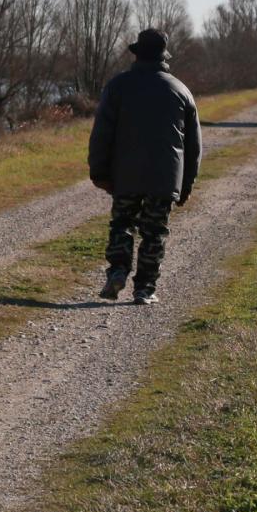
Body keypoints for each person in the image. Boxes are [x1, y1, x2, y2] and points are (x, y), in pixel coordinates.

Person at [88, 28, 202, 305]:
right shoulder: (181, 90)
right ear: (164, 57)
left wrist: (99, 171)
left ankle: (117, 271)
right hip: (164, 178)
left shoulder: (117, 87)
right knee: (155, 232)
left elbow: (102, 133)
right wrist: (186, 184)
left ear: (137, 54)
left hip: (125, 175)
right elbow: (193, 147)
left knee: (122, 224)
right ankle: (145, 288)